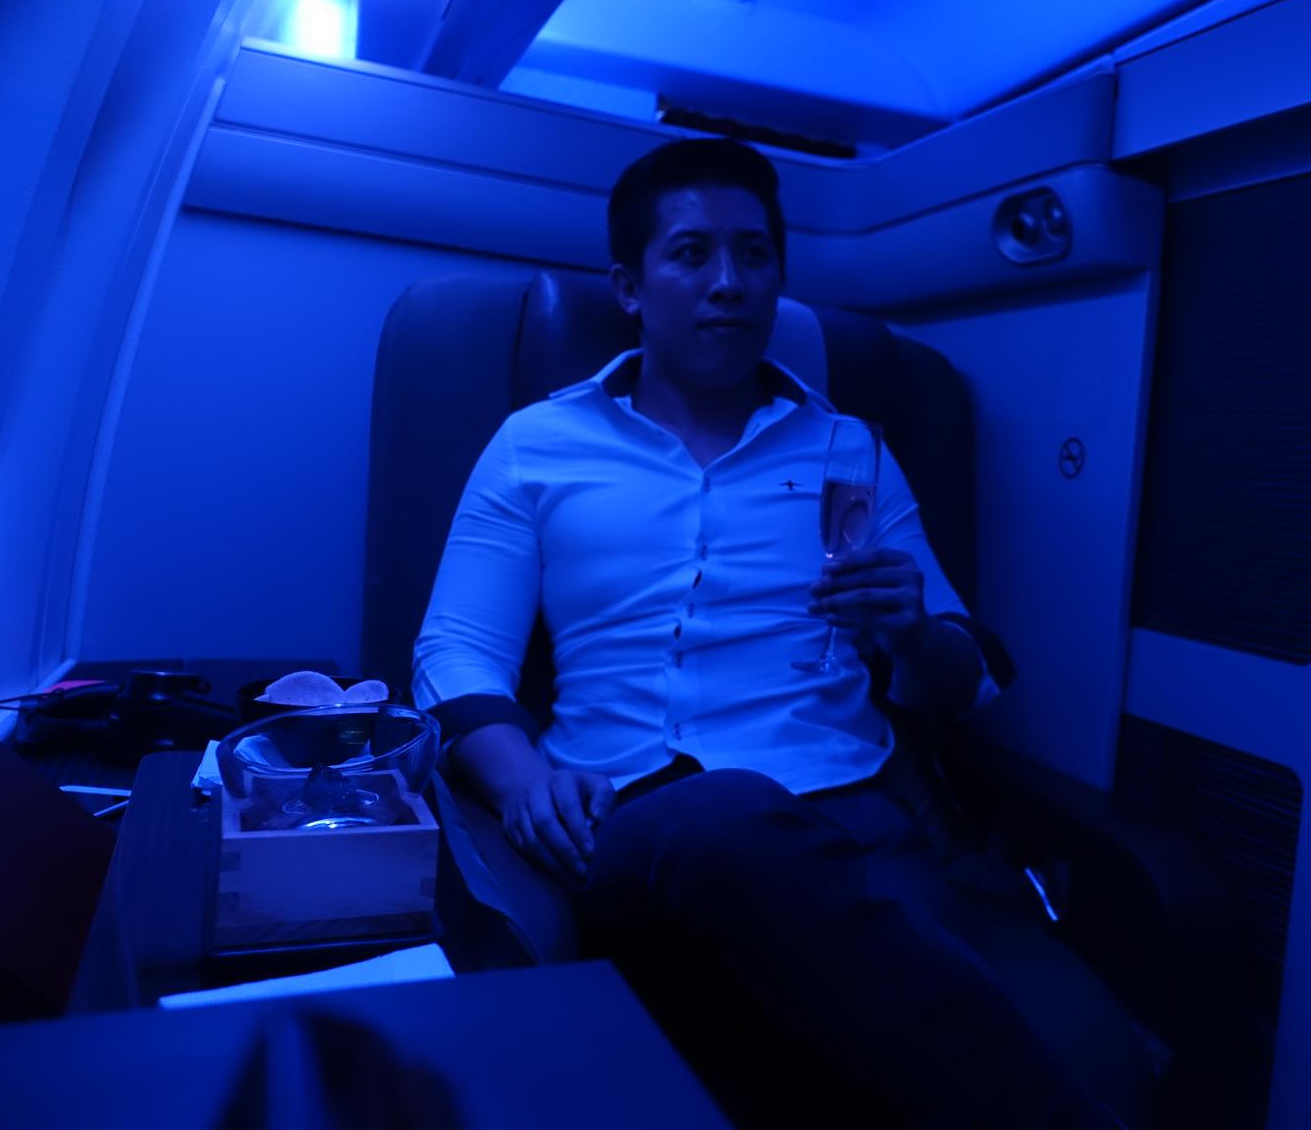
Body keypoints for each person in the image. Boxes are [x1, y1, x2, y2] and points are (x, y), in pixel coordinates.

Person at [413, 137, 1126, 1129]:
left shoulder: (848, 448)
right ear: (630, 285)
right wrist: (524, 781)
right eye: (692, 254)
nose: (728, 283)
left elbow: (965, 677)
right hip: (635, 818)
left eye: (754, 255)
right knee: (723, 821)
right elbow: (454, 650)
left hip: (855, 819)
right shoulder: (538, 444)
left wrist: (913, 634)